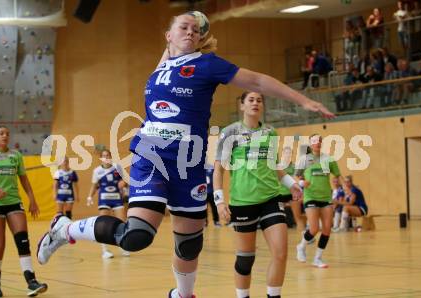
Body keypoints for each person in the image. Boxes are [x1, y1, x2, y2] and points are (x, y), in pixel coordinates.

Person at [37, 11, 333, 298]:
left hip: (189, 163)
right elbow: (170, 51)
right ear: (168, 35)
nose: (190, 31)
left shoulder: (207, 64)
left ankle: (182, 294)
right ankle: (65, 229)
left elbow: (256, 81)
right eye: (183, 27)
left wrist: (302, 100)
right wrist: (180, 31)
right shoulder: (162, 65)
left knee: (189, 244)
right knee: (137, 235)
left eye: (196, 29)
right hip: (151, 155)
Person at [214, 91, 302, 298]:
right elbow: (219, 169)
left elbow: (275, 166)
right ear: (242, 105)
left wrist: (291, 184)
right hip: (243, 202)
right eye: (251, 100)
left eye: (259, 100)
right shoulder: (230, 132)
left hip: (271, 199)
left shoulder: (270, 133)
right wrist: (219, 201)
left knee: (280, 253)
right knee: (246, 258)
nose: (255, 103)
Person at [0, 126, 47, 297]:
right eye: (1, 133)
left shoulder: (16, 155)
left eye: (7, 133)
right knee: (0, 245)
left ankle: (31, 281)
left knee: (22, 241)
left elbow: (24, 180)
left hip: (14, 202)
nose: (5, 135)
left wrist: (32, 199)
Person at [295, 134, 342, 268]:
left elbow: (338, 175)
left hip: (326, 197)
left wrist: (346, 187)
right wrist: (302, 182)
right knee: (314, 228)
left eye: (319, 141)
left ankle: (317, 258)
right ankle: (301, 246)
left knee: (327, 229)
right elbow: (297, 176)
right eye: (314, 141)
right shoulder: (304, 159)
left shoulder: (328, 159)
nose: (317, 143)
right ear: (310, 144)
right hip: (311, 197)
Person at [86, 149, 129, 259]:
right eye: (104, 155)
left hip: (117, 198)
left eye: (108, 155)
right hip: (104, 199)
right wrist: (90, 196)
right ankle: (105, 251)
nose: (106, 157)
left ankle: (123, 246)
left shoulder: (117, 168)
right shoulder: (97, 171)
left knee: (122, 223)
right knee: (103, 224)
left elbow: (126, 182)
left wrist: (124, 184)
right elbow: (94, 185)